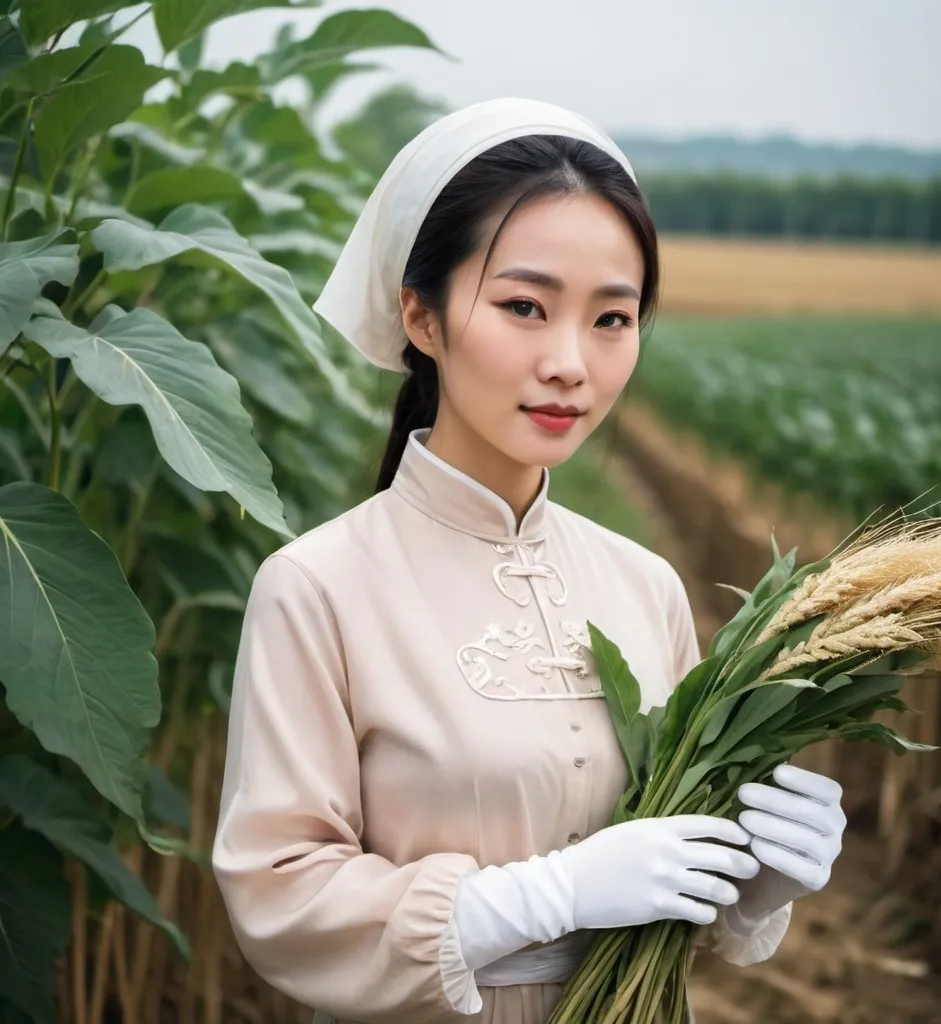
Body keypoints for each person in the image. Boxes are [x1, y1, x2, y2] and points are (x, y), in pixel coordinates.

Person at [211, 98, 847, 1024]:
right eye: (524, 306)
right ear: (420, 317)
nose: (569, 363)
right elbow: (279, 897)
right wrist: (536, 900)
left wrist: (755, 878)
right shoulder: (318, 588)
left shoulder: (645, 586)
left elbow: (672, 883)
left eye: (612, 319)